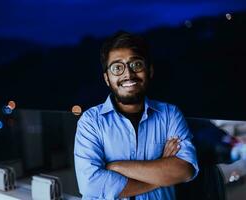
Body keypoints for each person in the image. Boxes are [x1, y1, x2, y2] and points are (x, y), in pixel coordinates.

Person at [74, 31, 199, 200]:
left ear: (150, 71)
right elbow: (91, 184)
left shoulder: (170, 115)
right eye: (117, 68)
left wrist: (117, 167)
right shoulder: (90, 122)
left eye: (136, 65)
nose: (128, 74)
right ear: (106, 78)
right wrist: (160, 177)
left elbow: (184, 170)